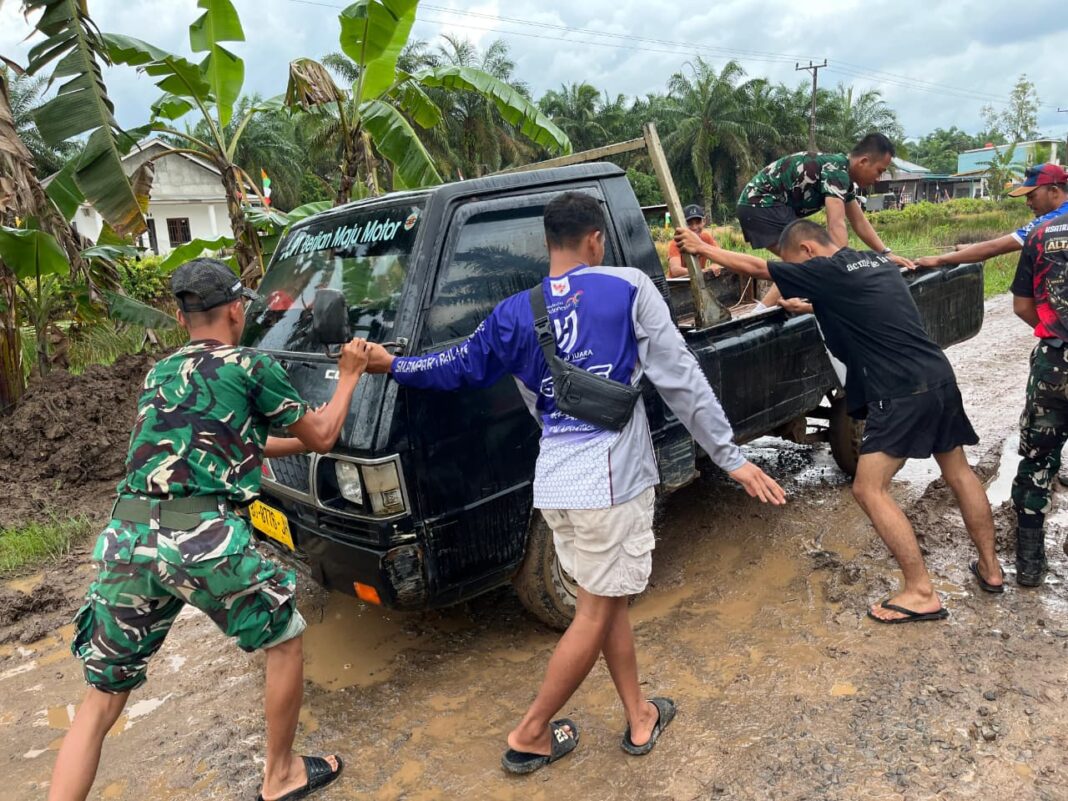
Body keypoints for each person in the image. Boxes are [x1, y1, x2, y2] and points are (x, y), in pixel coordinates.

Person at [363, 192, 785, 773]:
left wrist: (393, 364)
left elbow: (456, 366)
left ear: (547, 242)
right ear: (595, 239)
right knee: (594, 613)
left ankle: (639, 714)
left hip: (556, 485)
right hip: (610, 485)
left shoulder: (514, 311)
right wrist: (730, 457)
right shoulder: (628, 288)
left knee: (605, 606)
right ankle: (530, 732)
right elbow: (680, 378)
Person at [49, 259, 366, 801]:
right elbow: (323, 435)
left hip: (127, 535)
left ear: (181, 318)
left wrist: (298, 436)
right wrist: (351, 373)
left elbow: (229, 442)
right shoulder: (250, 365)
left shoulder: (160, 372)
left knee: (101, 698)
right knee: (284, 637)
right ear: (237, 310)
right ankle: (281, 775)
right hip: (200, 536)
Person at [675, 219, 1003, 622]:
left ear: (808, 251)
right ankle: (991, 569)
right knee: (959, 473)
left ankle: (921, 592)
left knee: (868, 489)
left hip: (899, 391)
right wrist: (810, 306)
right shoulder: (872, 262)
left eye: (796, 264)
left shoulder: (825, 269)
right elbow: (862, 304)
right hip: (936, 375)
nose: (798, 276)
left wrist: (702, 248)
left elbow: (759, 268)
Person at [736, 132, 915, 312]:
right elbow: (836, 223)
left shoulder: (842, 175)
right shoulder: (837, 171)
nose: (877, 179)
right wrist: (844, 269)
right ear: (863, 161)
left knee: (807, 262)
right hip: (760, 204)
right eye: (879, 171)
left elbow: (859, 221)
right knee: (807, 261)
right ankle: (760, 313)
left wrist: (885, 253)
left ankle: (766, 309)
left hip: (762, 207)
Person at [1009, 210, 1068, 586]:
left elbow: (1022, 306)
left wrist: (1053, 336)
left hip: (1055, 362)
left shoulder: (1042, 233)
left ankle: (1029, 565)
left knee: (1038, 460)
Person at [915, 163, 1068, 271]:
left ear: (1054, 191)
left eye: (1031, 196)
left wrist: (939, 259)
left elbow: (994, 248)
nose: (1028, 203)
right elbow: (1010, 240)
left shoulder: (1054, 221)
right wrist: (973, 247)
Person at [667, 204, 721, 278]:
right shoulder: (676, 243)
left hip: (699, 279)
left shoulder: (706, 237)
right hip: (680, 283)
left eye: (698, 222)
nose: (694, 227)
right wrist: (704, 271)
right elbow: (675, 271)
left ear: (704, 221)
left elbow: (720, 256)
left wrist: (715, 264)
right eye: (689, 223)